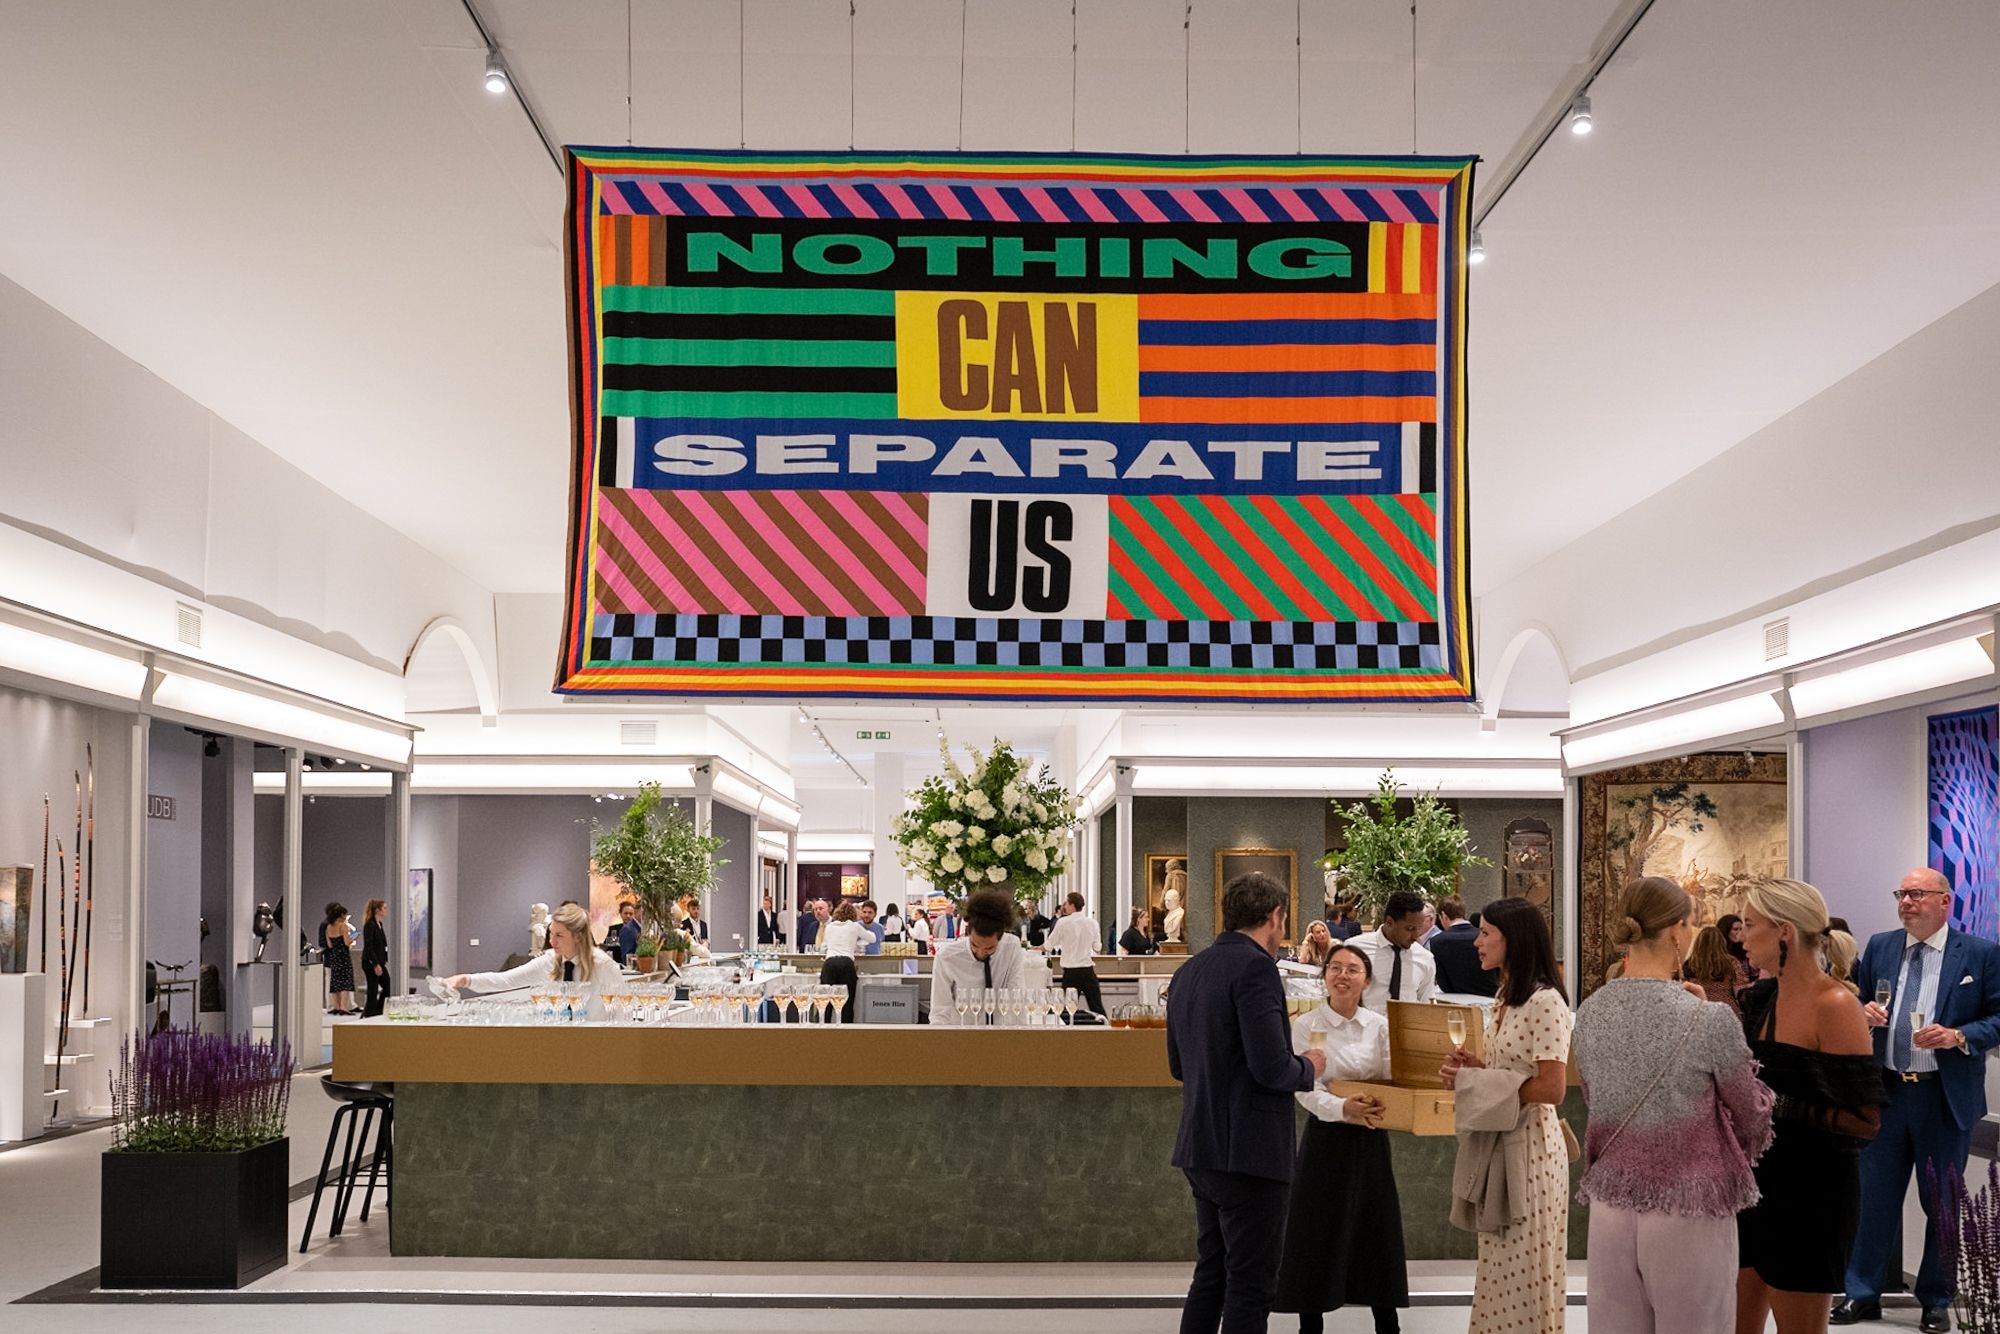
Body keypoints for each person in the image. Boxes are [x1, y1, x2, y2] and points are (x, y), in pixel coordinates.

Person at [1574, 876, 1773, 1334]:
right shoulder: (1709, 1018)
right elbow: (1752, 1114)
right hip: (1690, 1204)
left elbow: (1595, 1099)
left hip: (1611, 1203)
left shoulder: (1591, 1011)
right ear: (1676, 931)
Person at [1834, 867, 2000, 1331]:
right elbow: (1858, 1000)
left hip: (1942, 1097)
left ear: (1945, 901)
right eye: (1902, 894)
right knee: (1874, 1199)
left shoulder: (1980, 954)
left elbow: (1998, 1017)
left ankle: (1936, 1299)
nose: (1906, 902)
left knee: (1941, 1202)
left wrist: (1958, 1036)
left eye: (1917, 894)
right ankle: (1861, 1293)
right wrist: (1863, 1011)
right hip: (1886, 1092)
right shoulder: (1881, 946)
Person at [1166, 872, 1328, 1333]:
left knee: (1212, 1273)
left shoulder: (1189, 970)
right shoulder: (1257, 970)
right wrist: (1309, 1065)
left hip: (1201, 1144)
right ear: (1275, 917)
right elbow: (1271, 1069)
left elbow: (1178, 1066)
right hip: (1251, 1152)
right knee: (1251, 1284)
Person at [1732, 878, 1884, 1334]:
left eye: (1750, 925)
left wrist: (1775, 1104)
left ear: (1784, 931)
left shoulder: (1835, 1004)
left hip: (1812, 1194)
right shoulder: (1763, 998)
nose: (1741, 936)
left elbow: (1864, 1121)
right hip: (1754, 1186)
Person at [1440, 895, 1573, 1334]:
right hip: (1501, 1145)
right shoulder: (1505, 998)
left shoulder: (1545, 1001)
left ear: (1513, 939)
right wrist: (1477, 1071)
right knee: (1497, 1270)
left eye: (1485, 933)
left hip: (1531, 1152)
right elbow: (1513, 1073)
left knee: (1526, 1273)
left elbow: (1552, 1088)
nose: (1476, 942)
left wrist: (1476, 1084)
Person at [1273, 945, 1403, 1334]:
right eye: (1335, 968)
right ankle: (1309, 1325)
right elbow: (1304, 1087)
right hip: (1325, 1140)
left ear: (1367, 980)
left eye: (1352, 969)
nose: (1342, 975)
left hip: (1370, 1136)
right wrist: (1343, 1107)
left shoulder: (1379, 1026)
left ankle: (1388, 1325)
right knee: (1316, 1232)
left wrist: (1373, 1105)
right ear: (1325, 975)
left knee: (1375, 1230)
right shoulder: (1306, 1025)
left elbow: (1392, 1078)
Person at [446, 902, 624, 1009]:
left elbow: (621, 1010)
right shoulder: (548, 961)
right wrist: (465, 980)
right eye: (551, 933)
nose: (552, 941)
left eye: (559, 935)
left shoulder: (603, 965)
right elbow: (505, 980)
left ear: (578, 936)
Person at [930, 890, 1028, 1024]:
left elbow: (1017, 997)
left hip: (999, 1031)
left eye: (989, 948)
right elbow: (940, 1011)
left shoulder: (1011, 947)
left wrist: (1020, 1034)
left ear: (1000, 938)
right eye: (975, 945)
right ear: (968, 933)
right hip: (961, 1031)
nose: (981, 952)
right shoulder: (946, 957)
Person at [1347, 892, 1437, 1013]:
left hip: (1408, 1024)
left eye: (1419, 928)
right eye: (1410, 929)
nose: (1416, 936)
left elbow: (1427, 1005)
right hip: (1363, 1023)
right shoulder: (1355, 949)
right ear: (1389, 922)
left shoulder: (1425, 958)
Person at [1047, 891, 1106, 1016]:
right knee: (1097, 1007)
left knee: (1067, 1011)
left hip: (1071, 972)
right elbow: (1097, 947)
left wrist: (1035, 948)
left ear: (1072, 905)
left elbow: (1049, 945)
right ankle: (1104, 1027)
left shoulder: (1062, 922)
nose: (1064, 906)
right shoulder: (1092, 923)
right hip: (1087, 970)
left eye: (1066, 903)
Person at [1431, 896, 1497, 997]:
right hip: (1490, 995)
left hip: (1455, 999)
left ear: (1443, 915)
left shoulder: (1437, 941)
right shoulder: (1482, 936)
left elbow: (1444, 984)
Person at [1685, 924, 1744, 1019]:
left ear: (1698, 943)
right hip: (1727, 1011)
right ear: (1722, 942)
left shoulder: (1689, 964)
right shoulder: (1731, 962)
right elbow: (1740, 989)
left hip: (1701, 1011)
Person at [321, 903, 356, 1015]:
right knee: (346, 982)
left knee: (335, 982)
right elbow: (346, 942)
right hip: (344, 956)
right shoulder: (343, 926)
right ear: (341, 915)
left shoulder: (328, 927)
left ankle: (336, 1006)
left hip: (334, 956)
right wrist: (353, 937)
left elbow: (329, 945)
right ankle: (343, 1007)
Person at [360, 898, 390, 1018]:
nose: (386, 910)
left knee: (387, 986)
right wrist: (375, 964)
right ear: (377, 910)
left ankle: (377, 1011)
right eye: (384, 908)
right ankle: (370, 1015)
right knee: (373, 990)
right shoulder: (370, 925)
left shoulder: (379, 924)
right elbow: (369, 946)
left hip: (380, 961)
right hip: (370, 962)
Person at [1717, 912, 1760, 993]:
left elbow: (1756, 974)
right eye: (1735, 929)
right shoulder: (1718, 953)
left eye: (1741, 929)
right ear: (1726, 931)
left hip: (1747, 991)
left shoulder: (1746, 950)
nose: (1739, 932)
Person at [613, 900, 640, 965]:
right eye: (626, 913)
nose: (628, 916)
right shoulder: (626, 929)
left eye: (631, 914)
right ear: (621, 914)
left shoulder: (636, 928)